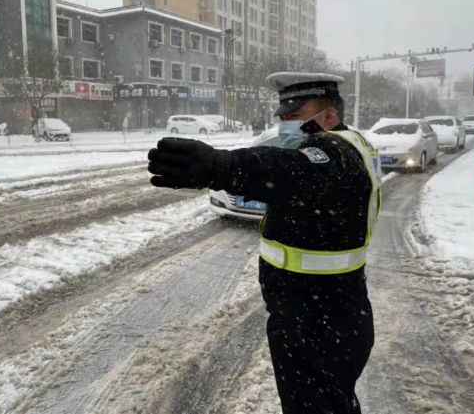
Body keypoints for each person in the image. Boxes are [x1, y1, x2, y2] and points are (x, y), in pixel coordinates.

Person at [148, 72, 381, 414]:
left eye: (295, 117)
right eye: (283, 117)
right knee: (329, 403)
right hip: (324, 307)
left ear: (329, 116)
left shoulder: (334, 155)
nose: (286, 125)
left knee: (314, 406)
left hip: (318, 318)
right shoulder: (349, 143)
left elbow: (288, 170)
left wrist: (220, 167)